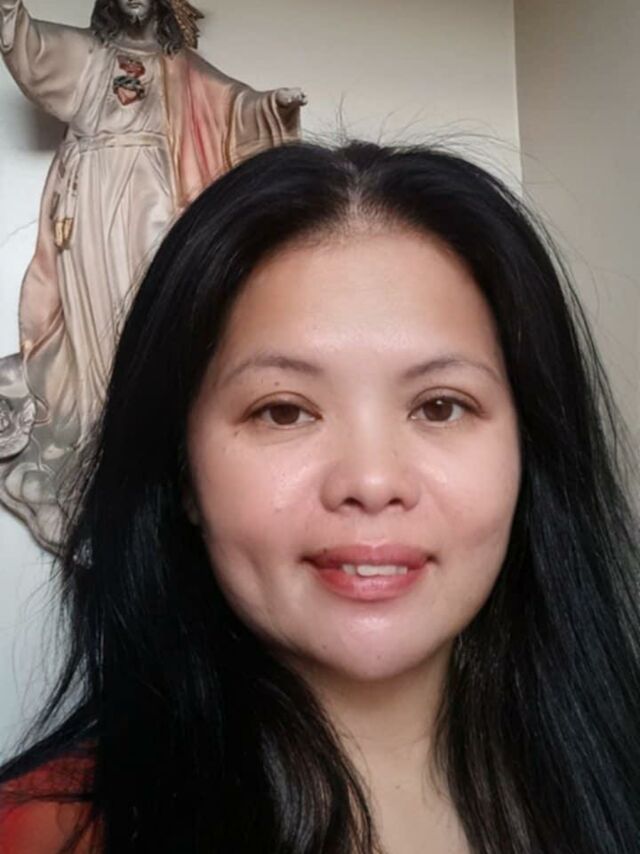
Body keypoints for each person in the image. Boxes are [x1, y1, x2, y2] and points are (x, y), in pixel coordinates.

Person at [0, 139, 639, 853]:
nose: (371, 481)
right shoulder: (41, 836)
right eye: (283, 411)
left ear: (530, 451)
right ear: (182, 471)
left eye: (440, 406)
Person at [0, 0, 305, 550]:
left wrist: (271, 108)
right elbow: (33, 49)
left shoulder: (179, 65)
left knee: (154, 300)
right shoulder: (89, 52)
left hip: (157, 196)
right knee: (96, 309)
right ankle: (99, 417)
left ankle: (148, 426)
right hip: (94, 194)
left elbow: (232, 106)